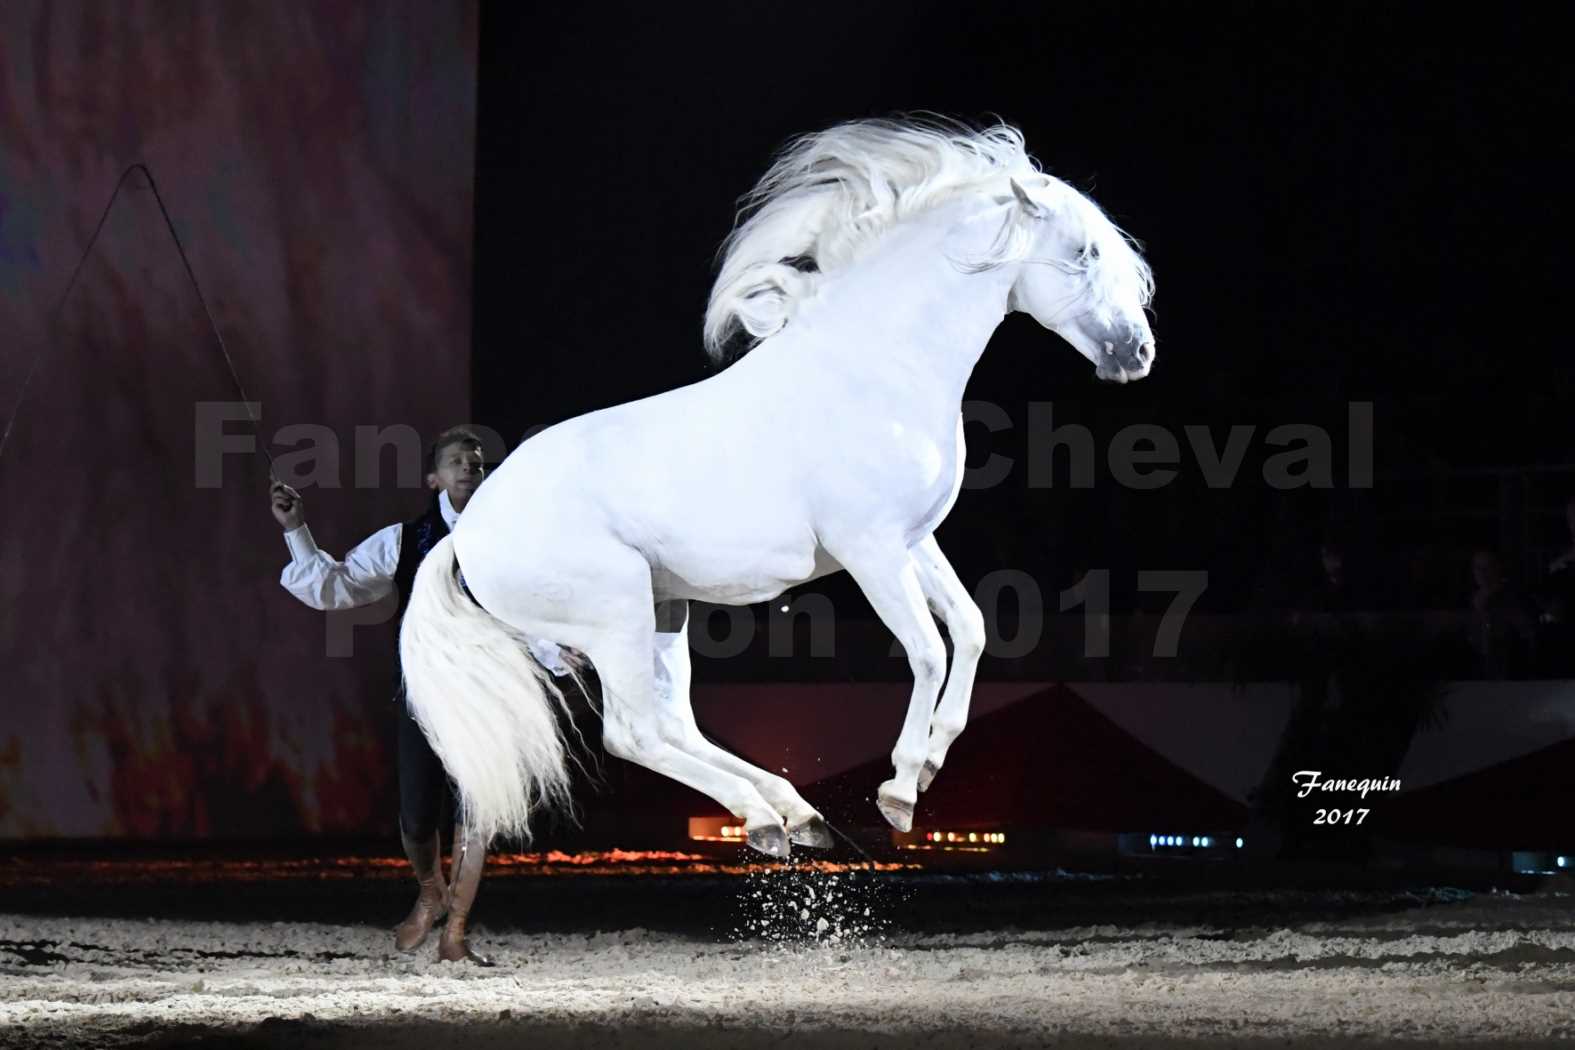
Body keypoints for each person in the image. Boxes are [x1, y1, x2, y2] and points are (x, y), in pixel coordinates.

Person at [270, 426, 570, 965]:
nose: (468, 469)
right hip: (425, 694)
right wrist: (296, 530)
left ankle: (456, 931)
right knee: (414, 820)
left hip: (485, 695)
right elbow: (335, 584)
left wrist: (555, 654)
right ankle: (431, 890)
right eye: (457, 461)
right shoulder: (403, 540)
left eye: (477, 463)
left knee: (478, 818)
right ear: (435, 478)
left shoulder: (509, 542)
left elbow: (527, 611)